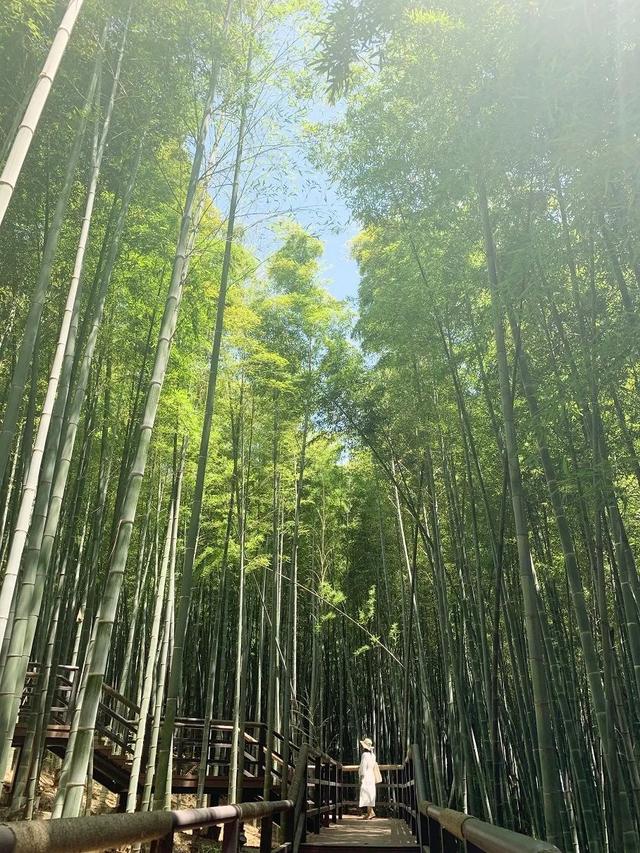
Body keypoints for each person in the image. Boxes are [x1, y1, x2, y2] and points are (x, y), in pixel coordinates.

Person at [358, 737, 377, 820]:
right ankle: (370, 812)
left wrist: (361, 775)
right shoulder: (373, 755)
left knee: (366, 793)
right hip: (371, 775)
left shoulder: (364, 755)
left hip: (366, 775)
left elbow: (363, 766)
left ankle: (369, 813)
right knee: (370, 793)